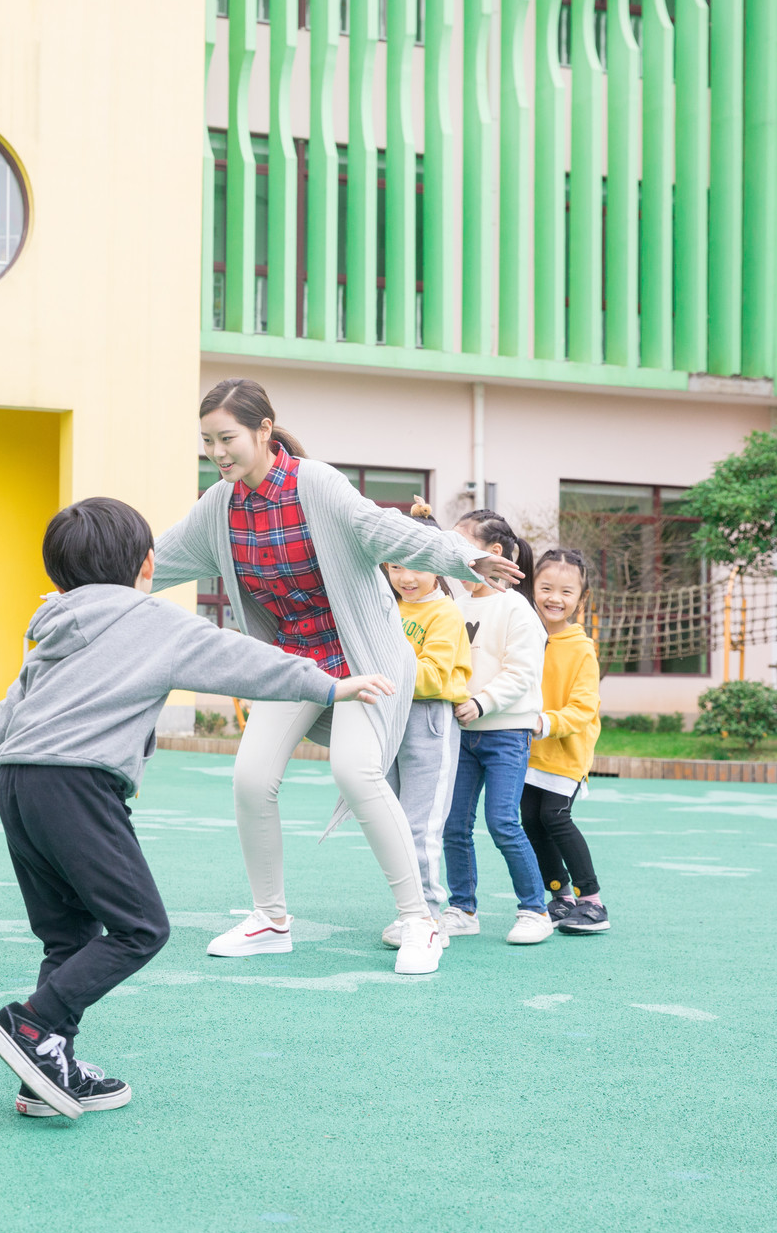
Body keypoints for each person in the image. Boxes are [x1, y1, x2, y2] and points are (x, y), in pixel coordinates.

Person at [0, 498, 398, 1120]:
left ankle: (48, 1073)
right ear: (148, 564)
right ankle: (33, 1025)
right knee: (141, 928)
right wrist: (329, 684)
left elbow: (1, 721)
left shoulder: (50, 630)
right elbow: (241, 658)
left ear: (58, 576)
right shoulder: (151, 619)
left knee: (69, 936)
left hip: (20, 789)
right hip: (78, 788)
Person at [152, 379, 523, 967]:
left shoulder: (315, 484)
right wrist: (85, 586)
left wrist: (461, 554)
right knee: (250, 778)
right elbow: (153, 559)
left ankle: (419, 922)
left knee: (356, 770)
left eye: (228, 438)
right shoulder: (218, 507)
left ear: (264, 431)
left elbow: (383, 528)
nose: (217, 452)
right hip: (295, 664)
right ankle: (270, 920)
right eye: (208, 442)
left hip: (366, 657)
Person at [435, 509, 553, 946]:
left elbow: (520, 673)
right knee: (453, 823)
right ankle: (462, 908)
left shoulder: (516, 609)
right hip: (461, 733)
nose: (452, 555)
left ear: (494, 552)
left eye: (461, 546)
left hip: (506, 732)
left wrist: (481, 703)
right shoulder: (454, 603)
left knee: (503, 822)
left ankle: (535, 910)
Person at [377, 520, 472, 950]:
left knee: (420, 824)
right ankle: (410, 910)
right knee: (393, 823)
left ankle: (429, 914)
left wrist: (383, 671)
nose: (406, 578)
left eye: (416, 565)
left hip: (428, 721)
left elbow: (433, 677)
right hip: (388, 718)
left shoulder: (445, 613)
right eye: (395, 566)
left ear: (438, 564)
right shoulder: (386, 606)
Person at [523, 548, 608, 934]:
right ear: (532, 587)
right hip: (526, 752)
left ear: (580, 599)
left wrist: (546, 723)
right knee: (530, 821)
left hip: (565, 752)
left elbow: (584, 708)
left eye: (566, 592)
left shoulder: (581, 648)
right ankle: (561, 897)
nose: (554, 598)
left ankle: (592, 902)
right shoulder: (524, 635)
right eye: (546, 588)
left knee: (555, 818)